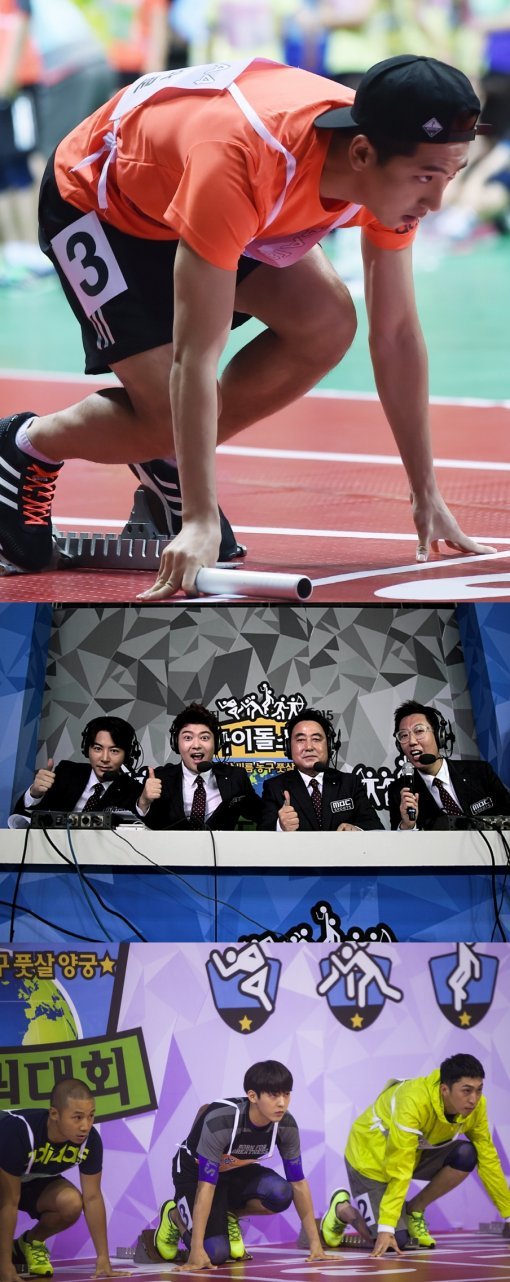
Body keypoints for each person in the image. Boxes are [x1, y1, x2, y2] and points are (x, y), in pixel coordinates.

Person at [0, 53, 496, 592]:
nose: (437, 201)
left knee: (327, 322)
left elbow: (396, 334)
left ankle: (166, 459)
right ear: (361, 153)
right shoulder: (244, 161)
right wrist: (198, 520)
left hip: (201, 190)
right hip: (99, 201)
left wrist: (426, 492)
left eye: (451, 175)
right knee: (166, 417)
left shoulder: (390, 155)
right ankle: (25, 447)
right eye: (426, 177)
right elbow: (195, 355)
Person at [320, 1053, 510, 1256]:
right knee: (395, 1240)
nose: (473, 1099)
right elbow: (399, 1166)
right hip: (369, 1160)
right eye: (466, 1091)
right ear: (445, 1089)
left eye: (479, 1090)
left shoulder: (477, 1107)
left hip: (414, 1154)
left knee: (466, 1154)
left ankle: (414, 1210)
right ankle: (341, 1209)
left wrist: (508, 1214)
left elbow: (488, 1159)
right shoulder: (413, 1101)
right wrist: (386, 1227)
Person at [153, 1059, 329, 1268]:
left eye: (286, 1094)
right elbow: (206, 1186)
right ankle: (174, 1216)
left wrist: (316, 1245)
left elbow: (298, 1183)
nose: (282, 1103)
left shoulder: (286, 1125)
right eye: (274, 1095)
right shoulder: (222, 1122)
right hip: (195, 1174)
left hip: (234, 1171)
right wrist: (196, 1249)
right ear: (252, 1096)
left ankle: (229, 1213)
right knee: (216, 1253)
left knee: (281, 1192)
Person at [0, 1077, 116, 1280]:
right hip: (6, 1179)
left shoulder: (89, 1141)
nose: (85, 1126)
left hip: (29, 1179)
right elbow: (8, 1202)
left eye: (90, 1116)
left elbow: (92, 1197)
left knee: (71, 1203)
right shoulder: (17, 1131)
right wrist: (4, 1265)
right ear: (54, 1114)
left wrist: (103, 1258)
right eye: (77, 1117)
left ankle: (29, 1243)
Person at [387, 699, 510, 830]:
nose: (412, 741)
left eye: (419, 731)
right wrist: (408, 825)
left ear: (439, 735)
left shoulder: (480, 772)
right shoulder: (399, 791)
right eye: (404, 735)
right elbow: (399, 839)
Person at [137, 701, 262, 829]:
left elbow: (261, 815)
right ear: (175, 743)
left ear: (217, 743)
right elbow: (144, 825)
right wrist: (144, 801)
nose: (196, 745)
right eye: (188, 738)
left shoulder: (235, 777)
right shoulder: (160, 778)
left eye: (204, 738)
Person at [259, 707, 383, 831]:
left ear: (329, 745)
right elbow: (262, 833)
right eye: (300, 740)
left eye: (316, 739)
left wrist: (356, 829)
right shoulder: (275, 787)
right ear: (288, 747)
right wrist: (280, 826)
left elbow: (375, 826)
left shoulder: (350, 783)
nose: (308, 747)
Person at [12, 714, 144, 820]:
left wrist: (144, 803)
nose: (104, 758)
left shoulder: (133, 790)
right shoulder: (66, 773)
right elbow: (22, 816)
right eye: (97, 748)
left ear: (127, 755)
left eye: (114, 751)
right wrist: (35, 793)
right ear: (87, 749)